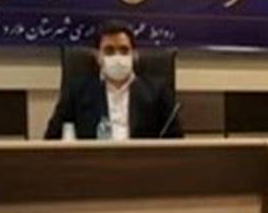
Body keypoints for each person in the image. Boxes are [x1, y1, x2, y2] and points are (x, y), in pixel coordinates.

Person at [44, 20, 182, 140]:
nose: (117, 57)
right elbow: (52, 139)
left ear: (134, 55)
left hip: (142, 161)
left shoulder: (157, 92)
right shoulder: (76, 92)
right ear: (98, 57)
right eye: (109, 51)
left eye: (124, 50)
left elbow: (176, 143)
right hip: (93, 161)